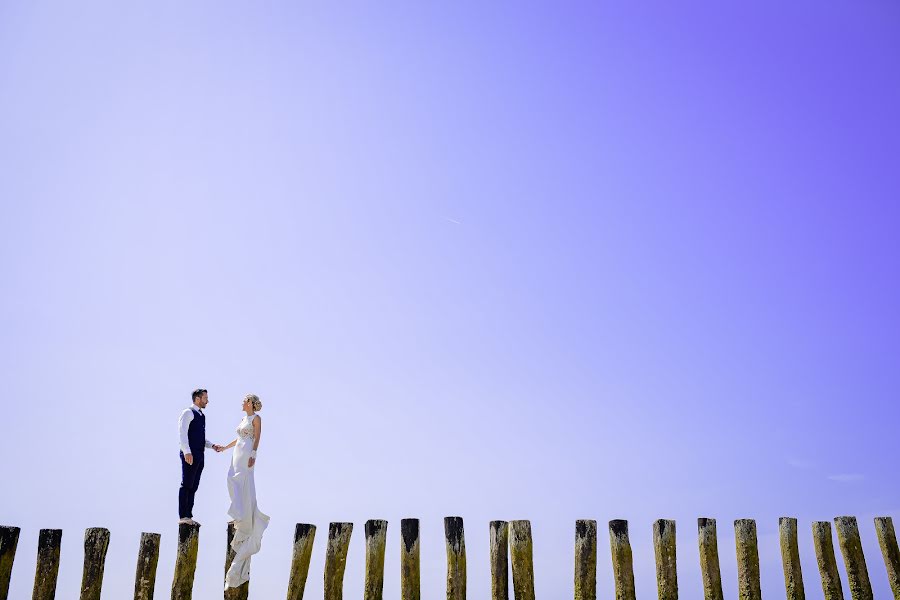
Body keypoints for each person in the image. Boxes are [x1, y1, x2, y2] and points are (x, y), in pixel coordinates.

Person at [221, 393, 270, 590]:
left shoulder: (256, 419)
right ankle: (239, 511)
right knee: (231, 479)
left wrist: (253, 454)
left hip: (247, 452)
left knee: (243, 480)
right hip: (237, 451)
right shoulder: (243, 419)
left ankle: (242, 514)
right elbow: (238, 437)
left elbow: (257, 437)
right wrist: (225, 447)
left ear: (250, 403)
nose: (241, 402)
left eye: (244, 400)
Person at [177, 389, 223, 525]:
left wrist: (212, 445)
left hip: (199, 454)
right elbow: (182, 433)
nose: (207, 401)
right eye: (205, 398)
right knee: (186, 484)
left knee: (194, 486)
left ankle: (188, 516)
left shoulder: (201, 415)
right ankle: (183, 516)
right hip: (190, 453)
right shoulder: (188, 412)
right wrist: (186, 451)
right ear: (198, 399)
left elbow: (200, 438)